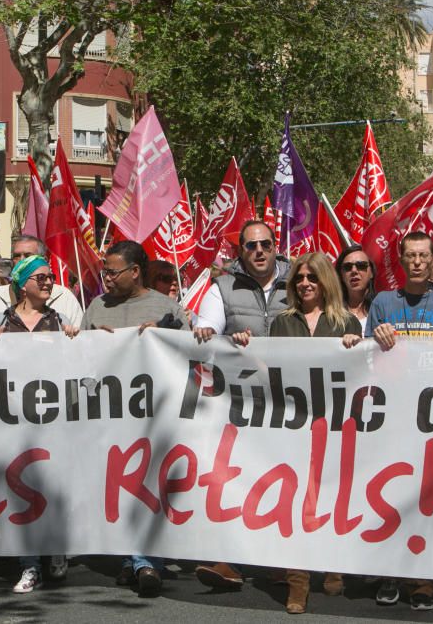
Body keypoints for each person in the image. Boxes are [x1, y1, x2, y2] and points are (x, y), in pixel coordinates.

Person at [352, 231, 433, 611]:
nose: (416, 262)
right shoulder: (383, 302)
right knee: (391, 496)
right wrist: (374, 336)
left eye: (423, 256)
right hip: (391, 415)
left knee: (427, 497)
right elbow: (367, 359)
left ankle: (423, 578)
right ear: (400, 259)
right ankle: (389, 573)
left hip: (431, 417)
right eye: (410, 256)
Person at [82, 241, 188, 597]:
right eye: (104, 272)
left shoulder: (166, 307)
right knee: (120, 489)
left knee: (147, 487)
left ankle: (146, 563)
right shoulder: (96, 306)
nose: (106, 278)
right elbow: (80, 363)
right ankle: (132, 559)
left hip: (152, 416)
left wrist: (161, 338)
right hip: (108, 415)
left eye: (112, 271)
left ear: (135, 272)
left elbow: (187, 361)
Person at [192, 220, 289, 591]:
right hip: (242, 403)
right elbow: (207, 331)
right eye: (251, 246)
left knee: (285, 479)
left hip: (291, 400)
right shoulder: (223, 287)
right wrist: (207, 333)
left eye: (265, 243)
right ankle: (229, 560)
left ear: (275, 245)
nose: (259, 251)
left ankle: (284, 561)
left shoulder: (298, 280)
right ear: (240, 251)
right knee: (238, 479)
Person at [267, 253, 361, 614]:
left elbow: (361, 372)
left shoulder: (347, 321)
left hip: (335, 423)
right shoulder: (282, 323)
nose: (305, 283)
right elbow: (269, 368)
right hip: (294, 423)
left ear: (325, 282)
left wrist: (357, 347)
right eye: (299, 278)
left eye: (312, 277)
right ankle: (298, 582)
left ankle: (333, 564)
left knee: (332, 497)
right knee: (296, 503)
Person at [0, 254, 75, 594]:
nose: (49, 282)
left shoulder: (59, 319)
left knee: (52, 487)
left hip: (53, 417)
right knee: (20, 490)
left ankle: (56, 549)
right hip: (14, 418)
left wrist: (74, 339)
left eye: (50, 277)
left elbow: (77, 364)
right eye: (41, 278)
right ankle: (29, 565)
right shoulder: (0, 318)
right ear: (23, 285)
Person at [0, 236, 83, 326]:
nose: (22, 260)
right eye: (16, 256)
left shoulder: (64, 298)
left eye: (28, 256)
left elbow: (79, 341)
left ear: (43, 260)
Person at [335, 245, 374, 334]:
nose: (354, 271)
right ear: (341, 275)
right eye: (347, 267)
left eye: (361, 265)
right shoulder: (331, 311)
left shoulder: (383, 309)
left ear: (371, 272)